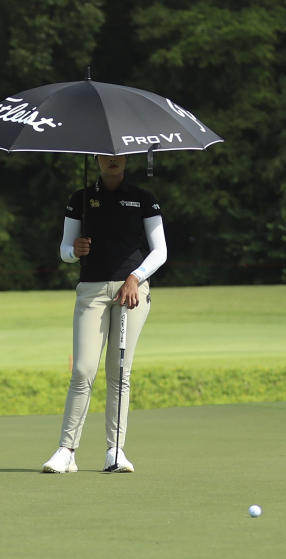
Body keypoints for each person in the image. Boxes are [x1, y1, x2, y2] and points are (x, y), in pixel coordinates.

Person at [41, 154, 167, 473]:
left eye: (119, 155)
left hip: (131, 294)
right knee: (83, 370)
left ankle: (115, 451)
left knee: (119, 372)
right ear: (95, 158)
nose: (114, 160)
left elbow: (160, 251)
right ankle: (66, 450)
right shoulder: (80, 199)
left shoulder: (143, 199)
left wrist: (134, 278)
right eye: (106, 155)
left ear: (126, 158)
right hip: (92, 291)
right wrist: (75, 251)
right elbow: (65, 251)